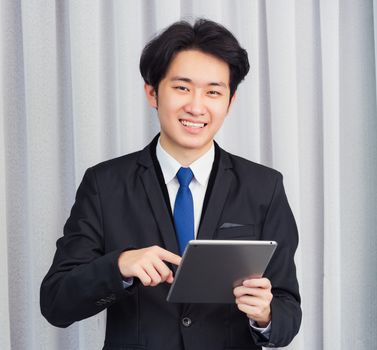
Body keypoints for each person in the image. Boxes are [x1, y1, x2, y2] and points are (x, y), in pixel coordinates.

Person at [40, 19, 301, 350]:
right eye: (182, 87)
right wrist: (119, 265)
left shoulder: (264, 187)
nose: (196, 105)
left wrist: (265, 315)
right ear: (152, 92)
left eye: (213, 92)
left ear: (230, 102)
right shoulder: (104, 184)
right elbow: (55, 303)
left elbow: (288, 310)